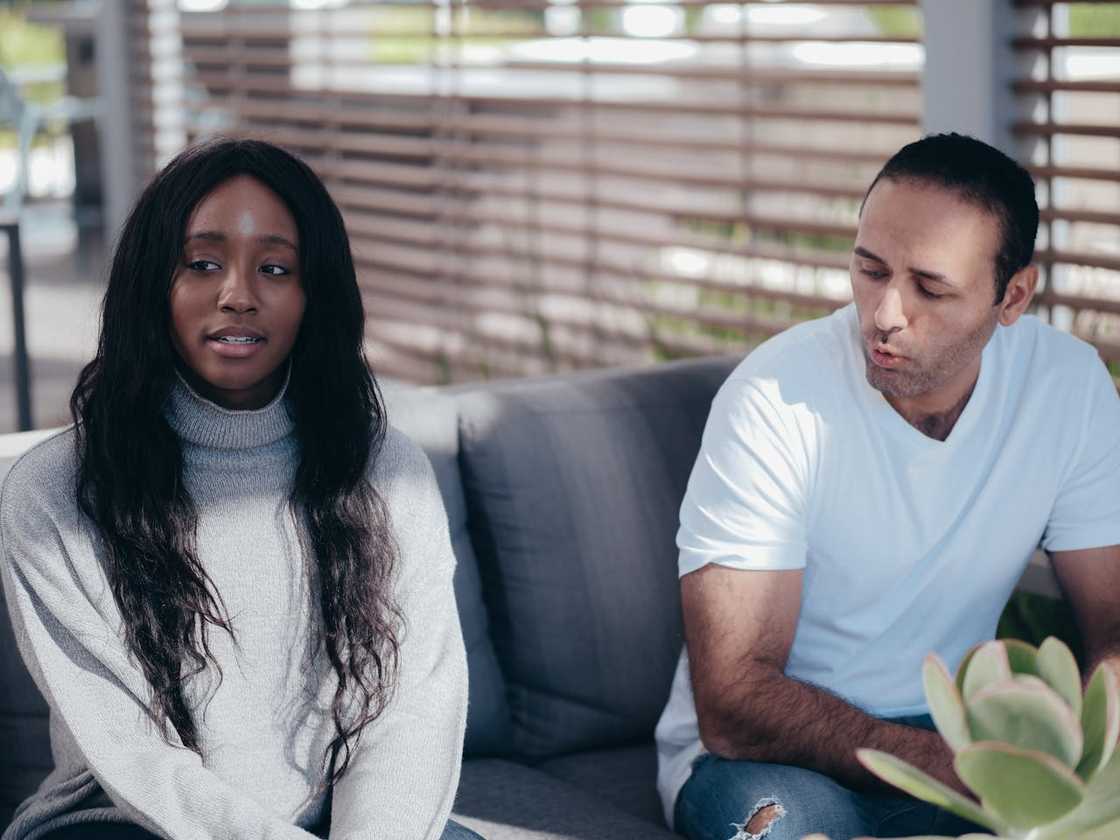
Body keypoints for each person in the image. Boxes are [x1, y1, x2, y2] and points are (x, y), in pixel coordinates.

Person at [0, 139, 481, 840]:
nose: (237, 295)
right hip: (126, 821)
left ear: (314, 294)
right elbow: (131, 753)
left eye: (276, 268)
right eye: (202, 263)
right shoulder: (55, 493)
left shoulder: (388, 472)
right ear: (151, 283)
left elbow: (414, 711)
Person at [655, 133, 1120, 840]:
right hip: (766, 762)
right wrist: (950, 767)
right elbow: (734, 700)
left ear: (1013, 296)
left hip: (963, 737)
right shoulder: (775, 399)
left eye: (930, 287)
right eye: (870, 270)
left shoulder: (1067, 389)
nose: (885, 314)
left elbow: (1114, 624)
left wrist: (1076, 771)